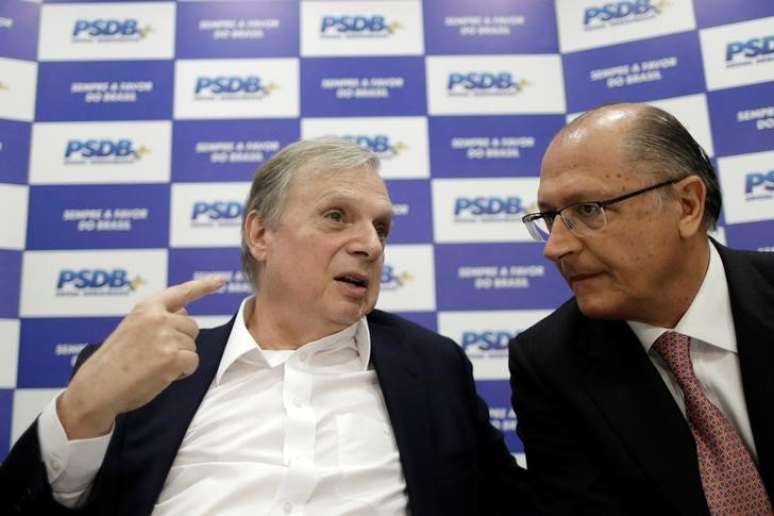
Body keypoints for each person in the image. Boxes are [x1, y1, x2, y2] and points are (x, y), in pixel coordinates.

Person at [2, 137, 533, 515]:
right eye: (336, 216)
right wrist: (80, 409)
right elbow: (50, 501)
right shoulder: (151, 371)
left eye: (382, 227)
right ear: (260, 234)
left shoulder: (433, 367)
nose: (370, 244)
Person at [510, 103, 774, 515]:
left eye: (587, 209)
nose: (554, 247)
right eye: (548, 217)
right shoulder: (550, 364)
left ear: (687, 205)